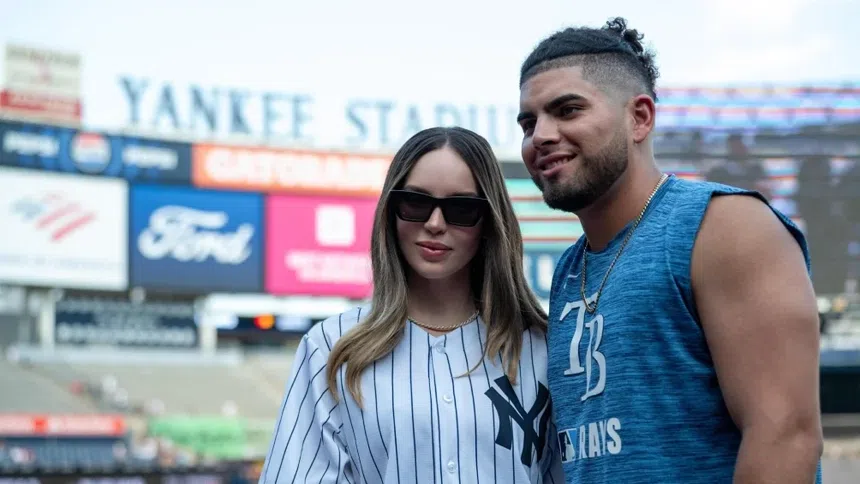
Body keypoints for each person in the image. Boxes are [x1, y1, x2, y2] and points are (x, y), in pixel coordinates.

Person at [516, 17, 823, 484]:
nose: (541, 134)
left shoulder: (725, 226)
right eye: (528, 122)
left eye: (568, 110)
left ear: (639, 118)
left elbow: (785, 437)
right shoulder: (569, 270)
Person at [259, 127, 564, 483]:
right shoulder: (330, 347)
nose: (435, 224)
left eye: (461, 209)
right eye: (415, 203)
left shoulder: (543, 347)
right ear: (391, 211)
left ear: (489, 222)